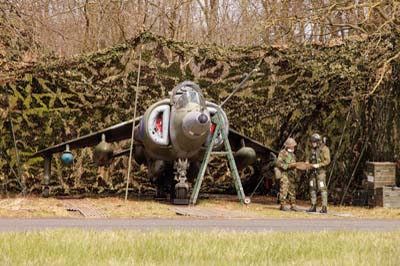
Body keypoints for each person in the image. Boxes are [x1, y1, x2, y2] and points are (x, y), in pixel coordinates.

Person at [307, 133, 331, 213]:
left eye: (314, 142)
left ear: (318, 142)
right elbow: (308, 158)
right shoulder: (312, 150)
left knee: (322, 189)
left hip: (320, 172)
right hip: (312, 172)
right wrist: (307, 163)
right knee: (312, 188)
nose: (312, 143)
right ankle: (313, 205)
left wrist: (319, 165)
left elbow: (327, 161)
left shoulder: (324, 149)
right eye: (312, 142)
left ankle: (324, 207)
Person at [275, 138, 298, 211]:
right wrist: (286, 166)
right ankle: (282, 205)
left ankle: (293, 205)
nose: (293, 147)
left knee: (292, 190)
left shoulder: (293, 155)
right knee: (284, 189)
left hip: (291, 174)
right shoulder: (282, 153)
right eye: (292, 146)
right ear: (288, 146)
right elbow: (278, 163)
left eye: (293, 146)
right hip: (284, 174)